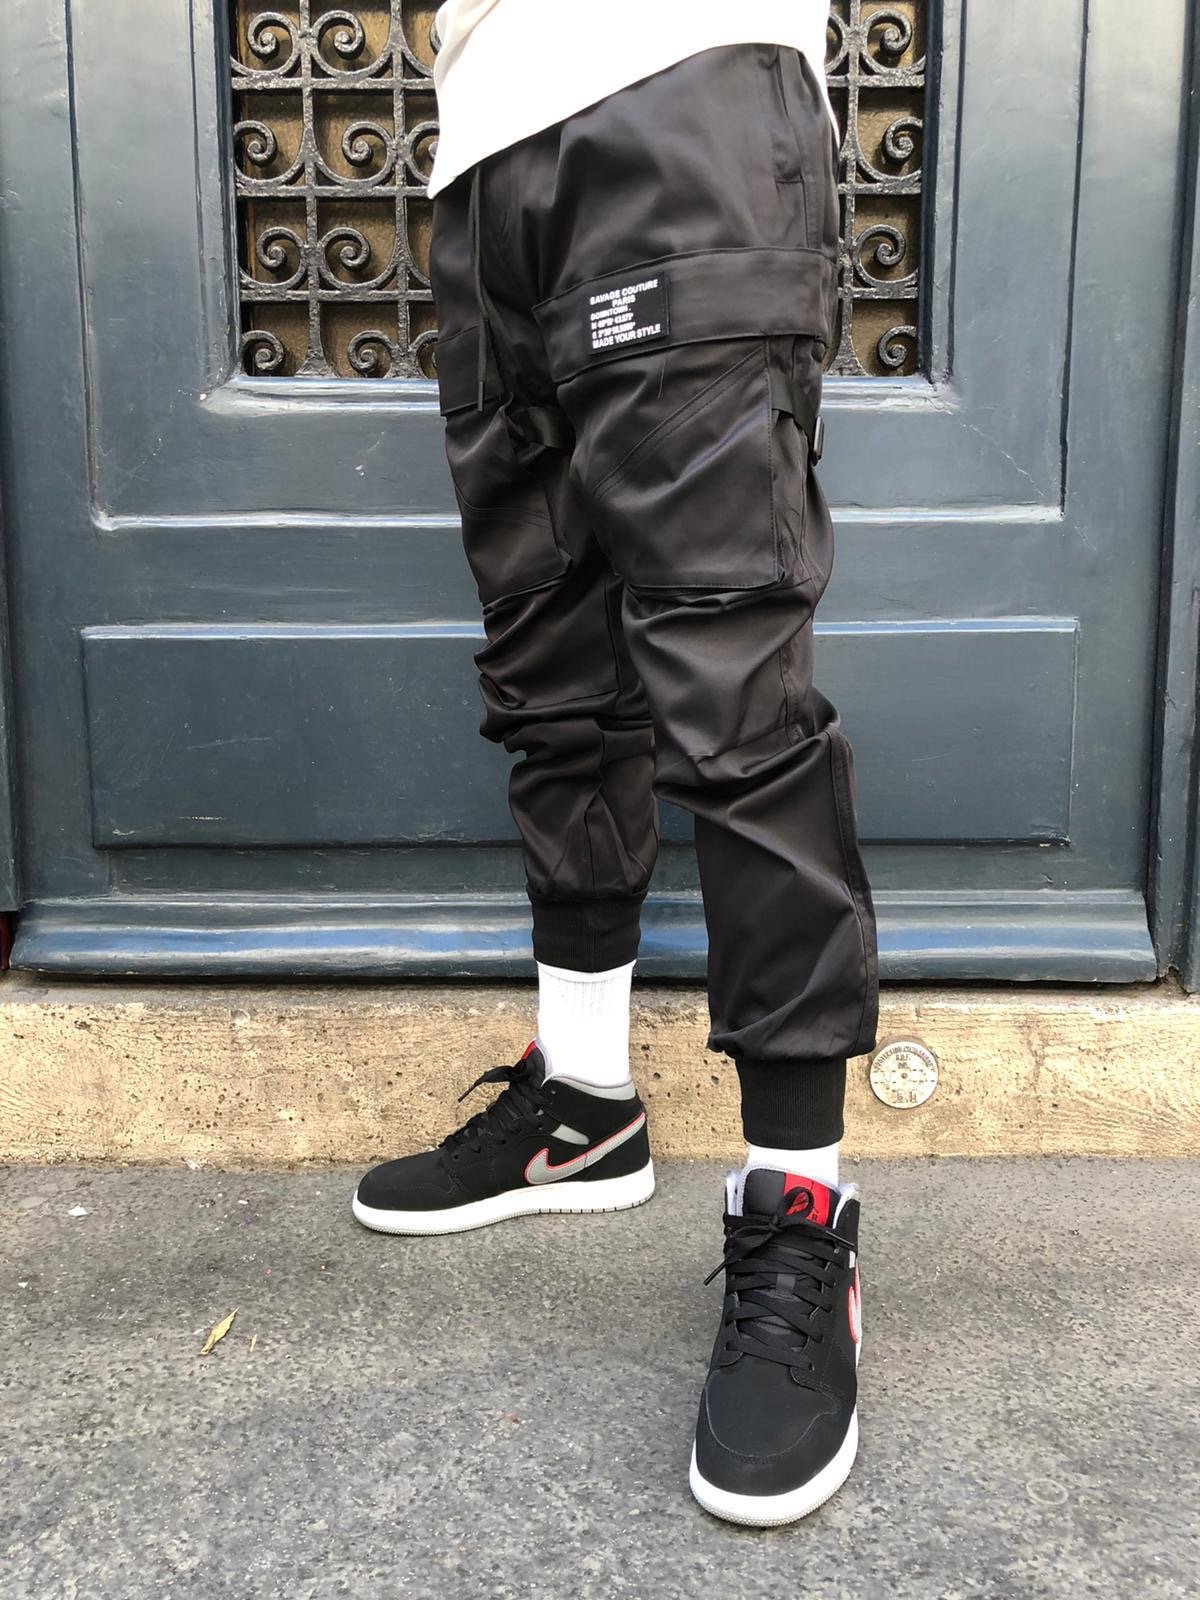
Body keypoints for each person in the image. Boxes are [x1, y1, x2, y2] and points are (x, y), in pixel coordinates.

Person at [353, 0, 880, 1527]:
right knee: (550, 676)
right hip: (480, 157)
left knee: (732, 683)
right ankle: (584, 1104)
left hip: (682, 94)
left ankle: (799, 1205)